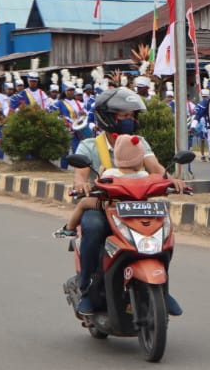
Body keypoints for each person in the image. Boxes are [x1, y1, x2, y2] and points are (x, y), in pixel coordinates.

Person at [69, 87, 186, 316]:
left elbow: (156, 168)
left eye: (132, 116)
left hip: (136, 206)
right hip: (103, 207)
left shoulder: (138, 142)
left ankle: (162, 288)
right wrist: (82, 186)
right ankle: (87, 290)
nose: (130, 121)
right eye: (124, 116)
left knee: (164, 232)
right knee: (93, 227)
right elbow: (79, 176)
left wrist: (171, 181)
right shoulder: (90, 146)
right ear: (108, 118)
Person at [55, 133, 149, 238]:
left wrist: (99, 173)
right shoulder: (144, 175)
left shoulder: (110, 173)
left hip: (109, 205)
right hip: (138, 208)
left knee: (84, 203)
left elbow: (99, 184)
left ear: (117, 156)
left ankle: (69, 228)